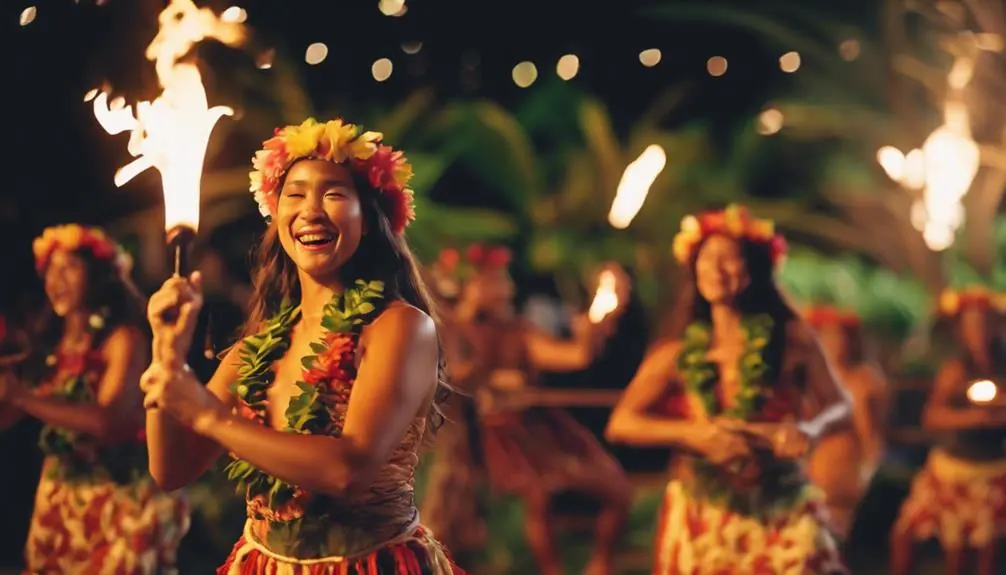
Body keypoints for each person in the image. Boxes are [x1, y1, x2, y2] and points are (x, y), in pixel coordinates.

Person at [139, 117, 467, 573]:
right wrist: (166, 352)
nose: (310, 210)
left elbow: (347, 471)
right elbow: (170, 470)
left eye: (332, 194)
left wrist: (207, 414)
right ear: (277, 218)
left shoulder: (400, 328)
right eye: (294, 194)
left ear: (369, 219)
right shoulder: (257, 351)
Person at [606, 204, 851, 574]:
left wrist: (809, 430)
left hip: (781, 507)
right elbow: (621, 422)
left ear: (752, 269)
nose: (716, 270)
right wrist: (692, 433)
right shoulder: (677, 353)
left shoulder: (792, 340)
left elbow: (841, 405)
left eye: (729, 259)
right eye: (706, 259)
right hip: (702, 513)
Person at [0, 224, 189, 574]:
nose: (57, 280)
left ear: (99, 275)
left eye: (69, 268)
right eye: (51, 270)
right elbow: (10, 414)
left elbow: (109, 419)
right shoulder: (47, 343)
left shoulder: (123, 338)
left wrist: (23, 397)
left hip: (117, 496)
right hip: (62, 491)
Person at [449, 243, 632, 575]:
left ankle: (600, 564)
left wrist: (596, 325)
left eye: (504, 280)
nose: (506, 288)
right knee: (538, 495)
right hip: (490, 433)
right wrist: (488, 381)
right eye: (491, 281)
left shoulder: (519, 331)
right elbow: (452, 378)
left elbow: (575, 356)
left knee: (616, 488)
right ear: (469, 286)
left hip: (539, 425)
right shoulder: (450, 330)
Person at [891, 286, 1006, 575]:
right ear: (961, 330)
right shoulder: (954, 370)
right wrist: (974, 418)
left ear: (996, 326)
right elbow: (931, 417)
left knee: (985, 552)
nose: (978, 331)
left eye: (984, 323)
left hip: (993, 471)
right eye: (971, 324)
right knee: (908, 537)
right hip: (951, 469)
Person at [804, 305, 889, 539]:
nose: (834, 343)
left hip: (843, 473)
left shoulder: (863, 381)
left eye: (839, 336)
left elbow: (871, 433)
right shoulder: (811, 378)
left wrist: (867, 471)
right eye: (827, 336)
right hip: (811, 469)